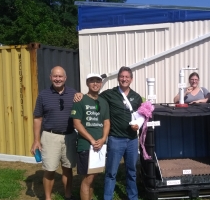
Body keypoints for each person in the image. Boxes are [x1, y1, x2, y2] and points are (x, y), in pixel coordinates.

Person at [74, 66, 142, 200]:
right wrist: (79, 94)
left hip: (132, 140)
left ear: (131, 79)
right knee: (111, 172)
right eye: (122, 76)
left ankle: (132, 197)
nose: (124, 79)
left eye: (127, 77)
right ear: (118, 78)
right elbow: (92, 95)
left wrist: (138, 124)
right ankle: (107, 197)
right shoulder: (109, 94)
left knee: (132, 172)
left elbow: (141, 115)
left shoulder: (137, 97)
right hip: (115, 139)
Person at [30, 66, 77, 200]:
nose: (58, 79)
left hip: (69, 136)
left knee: (68, 169)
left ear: (65, 78)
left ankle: (68, 196)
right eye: (55, 76)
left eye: (60, 76)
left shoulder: (74, 94)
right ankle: (48, 198)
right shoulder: (43, 95)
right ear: (50, 78)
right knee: (49, 170)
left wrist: (81, 95)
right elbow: (37, 118)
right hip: (50, 136)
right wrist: (36, 140)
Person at [70, 73, 110, 200]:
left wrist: (103, 139)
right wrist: (92, 140)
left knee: (94, 177)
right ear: (87, 83)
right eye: (92, 81)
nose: (95, 84)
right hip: (86, 145)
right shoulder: (80, 100)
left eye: (98, 81)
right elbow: (76, 124)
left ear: (101, 84)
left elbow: (106, 122)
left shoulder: (103, 102)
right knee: (88, 179)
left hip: (100, 146)